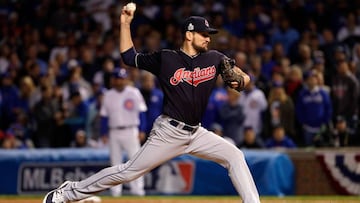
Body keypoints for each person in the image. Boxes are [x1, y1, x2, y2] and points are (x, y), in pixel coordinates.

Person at [42, 7, 260, 203]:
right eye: (204, 34)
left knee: (235, 156)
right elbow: (129, 57)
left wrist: (241, 79)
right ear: (189, 34)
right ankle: (68, 192)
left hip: (197, 133)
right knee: (128, 172)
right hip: (169, 132)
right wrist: (125, 24)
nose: (208, 39)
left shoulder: (214, 58)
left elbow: (243, 78)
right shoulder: (166, 59)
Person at [100, 67, 147, 197]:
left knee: (136, 162)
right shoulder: (108, 95)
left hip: (131, 130)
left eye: (122, 79)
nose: (120, 81)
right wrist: (103, 133)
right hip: (114, 132)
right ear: (113, 80)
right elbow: (104, 116)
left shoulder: (134, 92)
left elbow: (142, 112)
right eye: (117, 79)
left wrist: (142, 129)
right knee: (115, 164)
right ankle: (115, 193)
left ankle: (138, 191)